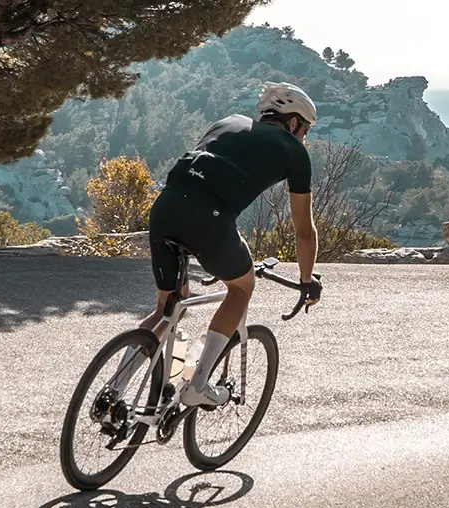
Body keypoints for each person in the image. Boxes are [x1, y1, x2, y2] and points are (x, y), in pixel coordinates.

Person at [117, 82, 324, 409]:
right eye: (306, 129)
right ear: (294, 121)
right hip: (210, 220)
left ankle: (113, 390)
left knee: (168, 308)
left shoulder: (229, 121)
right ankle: (197, 384)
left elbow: (210, 173)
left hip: (166, 207)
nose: (305, 137)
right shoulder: (294, 151)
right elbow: (303, 231)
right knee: (241, 287)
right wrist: (306, 279)